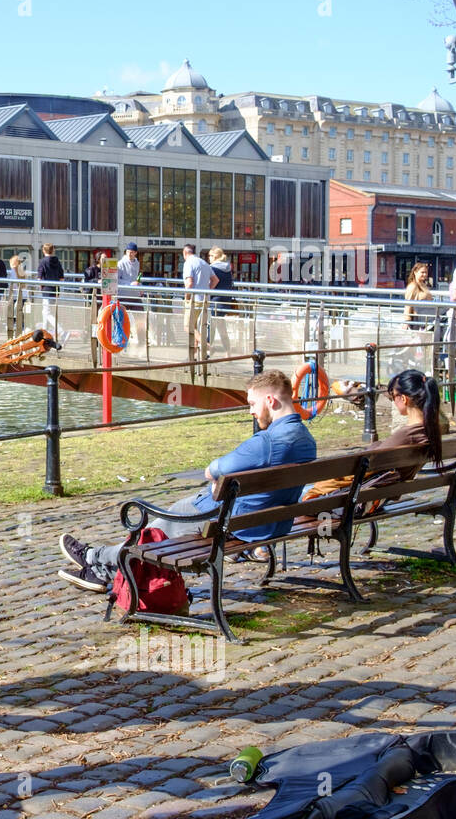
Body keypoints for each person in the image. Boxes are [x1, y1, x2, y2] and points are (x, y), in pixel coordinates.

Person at [57, 370, 316, 591]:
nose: (251, 411)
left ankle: (94, 557)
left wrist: (216, 482)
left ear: (270, 400)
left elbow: (214, 469)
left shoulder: (266, 443)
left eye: (252, 404)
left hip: (229, 522)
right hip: (273, 523)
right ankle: (106, 571)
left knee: (153, 533)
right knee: (165, 525)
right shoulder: (307, 441)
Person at [300, 369, 444, 504]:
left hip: (355, 499)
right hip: (378, 494)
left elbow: (360, 466)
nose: (393, 400)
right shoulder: (429, 433)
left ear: (404, 399)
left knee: (303, 494)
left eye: (393, 396)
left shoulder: (406, 436)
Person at [181, 243, 217, 360]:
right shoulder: (204, 263)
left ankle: (206, 346)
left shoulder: (188, 263)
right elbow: (215, 280)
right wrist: (206, 290)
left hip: (194, 300)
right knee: (195, 326)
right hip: (204, 300)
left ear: (185, 253)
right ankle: (194, 355)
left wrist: (187, 297)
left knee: (188, 326)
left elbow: (189, 283)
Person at [207, 247, 235, 353]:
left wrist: (208, 290)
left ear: (215, 256)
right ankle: (228, 352)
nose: (208, 258)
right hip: (225, 300)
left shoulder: (213, 268)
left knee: (211, 327)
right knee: (221, 328)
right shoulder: (227, 268)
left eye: (210, 255)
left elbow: (213, 282)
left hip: (215, 300)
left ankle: (208, 350)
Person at [404, 263, 433, 330]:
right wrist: (407, 321)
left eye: (426, 272)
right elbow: (408, 305)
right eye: (422, 272)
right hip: (418, 319)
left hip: (427, 317)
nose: (425, 274)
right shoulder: (413, 286)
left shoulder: (423, 285)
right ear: (415, 272)